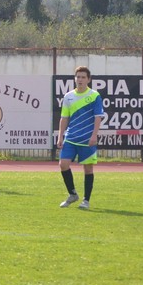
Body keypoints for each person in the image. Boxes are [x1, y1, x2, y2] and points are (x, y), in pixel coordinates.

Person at [57, 65, 105, 210]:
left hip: (87, 139)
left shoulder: (94, 96)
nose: (80, 79)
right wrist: (60, 136)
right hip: (71, 137)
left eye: (83, 77)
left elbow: (98, 117)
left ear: (88, 79)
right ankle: (72, 194)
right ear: (75, 78)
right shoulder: (68, 96)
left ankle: (86, 200)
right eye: (78, 77)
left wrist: (94, 135)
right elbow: (64, 118)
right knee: (63, 164)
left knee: (88, 169)